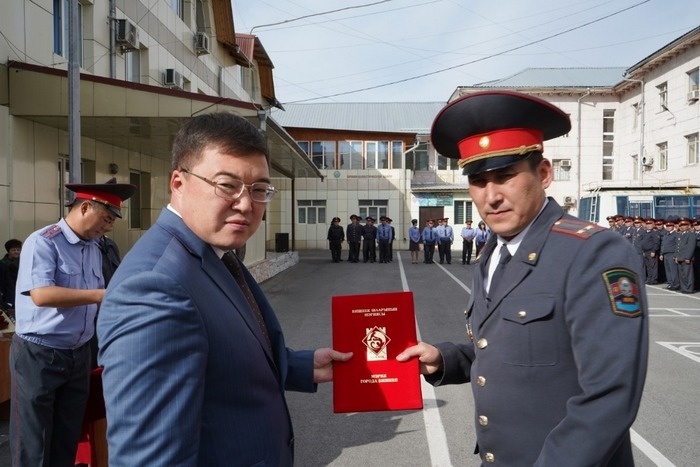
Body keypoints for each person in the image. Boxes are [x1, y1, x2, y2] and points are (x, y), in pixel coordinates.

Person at [397, 91, 648, 466]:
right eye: (478, 181)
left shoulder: (593, 253)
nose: (491, 196)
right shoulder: (493, 252)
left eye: (505, 177)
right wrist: (445, 360)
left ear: (543, 174)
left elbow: (610, 395)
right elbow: (509, 348)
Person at [96, 112, 352, 466]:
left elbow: (224, 358)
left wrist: (301, 366)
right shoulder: (154, 287)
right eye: (227, 185)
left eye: (259, 190)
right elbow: (150, 458)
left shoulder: (211, 252)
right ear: (178, 183)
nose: (246, 204)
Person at [10, 179, 135, 466]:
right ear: (86, 207)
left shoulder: (95, 246)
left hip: (79, 353)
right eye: (106, 218)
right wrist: (101, 295)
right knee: (34, 442)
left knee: (68, 436)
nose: (108, 227)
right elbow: (41, 295)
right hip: (40, 354)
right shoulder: (44, 242)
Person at [675, 217, 695, 294]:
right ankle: (683, 288)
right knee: (682, 274)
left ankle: (689, 289)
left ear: (688, 226)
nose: (682, 227)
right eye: (681, 225)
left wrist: (688, 257)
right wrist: (676, 256)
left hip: (686, 257)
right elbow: (677, 246)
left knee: (688, 274)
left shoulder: (691, 234)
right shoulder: (680, 234)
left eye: (684, 225)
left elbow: (691, 247)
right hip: (680, 257)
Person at [0, 238, 22, 307]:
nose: (16, 252)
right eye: (13, 250)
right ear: (8, 251)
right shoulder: (3, 264)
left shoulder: (23, 262)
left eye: (18, 250)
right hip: (9, 297)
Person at [659, 217, 679, 290]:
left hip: (672, 254)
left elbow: (677, 245)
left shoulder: (675, 234)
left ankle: (675, 284)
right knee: (668, 270)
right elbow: (663, 245)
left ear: (673, 226)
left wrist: (675, 255)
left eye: (670, 226)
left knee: (673, 270)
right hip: (665, 254)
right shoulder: (666, 234)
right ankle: (670, 283)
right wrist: (661, 254)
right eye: (667, 226)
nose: (668, 227)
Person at [640, 218, 661, 285]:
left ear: (653, 224)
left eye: (650, 224)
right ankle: (649, 278)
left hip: (651, 251)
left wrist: (653, 251)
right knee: (648, 266)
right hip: (645, 251)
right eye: (647, 224)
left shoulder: (654, 232)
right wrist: (643, 251)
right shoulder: (645, 232)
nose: (648, 225)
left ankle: (653, 279)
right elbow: (643, 242)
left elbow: (656, 243)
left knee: (653, 266)